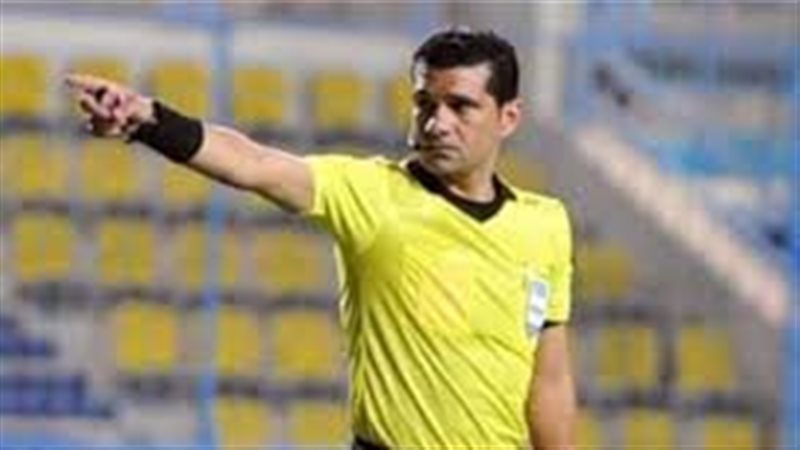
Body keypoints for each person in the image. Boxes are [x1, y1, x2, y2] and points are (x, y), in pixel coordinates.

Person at [66, 27, 577, 450]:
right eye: (425, 103)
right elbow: (253, 163)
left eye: (460, 106)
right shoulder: (370, 193)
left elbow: (549, 380)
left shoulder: (545, 223)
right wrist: (148, 119)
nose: (436, 122)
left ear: (508, 117)